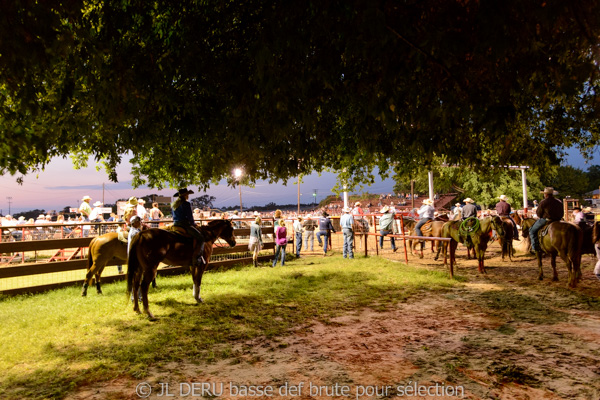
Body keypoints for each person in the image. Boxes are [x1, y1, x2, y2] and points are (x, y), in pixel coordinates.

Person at [171, 188, 206, 265]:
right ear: (185, 195)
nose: (188, 196)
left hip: (175, 224)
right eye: (187, 194)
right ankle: (197, 257)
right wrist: (194, 224)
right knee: (201, 238)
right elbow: (190, 217)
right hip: (184, 225)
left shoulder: (173, 204)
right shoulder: (186, 204)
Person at [530, 187, 564, 253]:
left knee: (532, 230)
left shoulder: (543, 202)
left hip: (546, 220)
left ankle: (535, 247)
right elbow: (562, 213)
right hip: (558, 220)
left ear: (545, 194)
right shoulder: (559, 202)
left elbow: (539, 213)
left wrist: (541, 216)